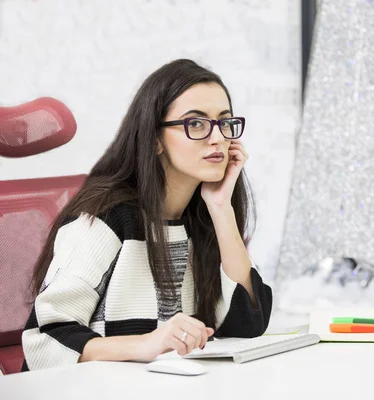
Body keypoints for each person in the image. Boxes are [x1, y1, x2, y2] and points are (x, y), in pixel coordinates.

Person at [21, 59, 273, 371]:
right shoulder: (105, 217)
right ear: (155, 140)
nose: (218, 137)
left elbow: (249, 322)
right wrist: (149, 343)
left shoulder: (204, 218)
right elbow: (44, 340)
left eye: (224, 122)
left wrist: (222, 209)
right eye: (195, 123)